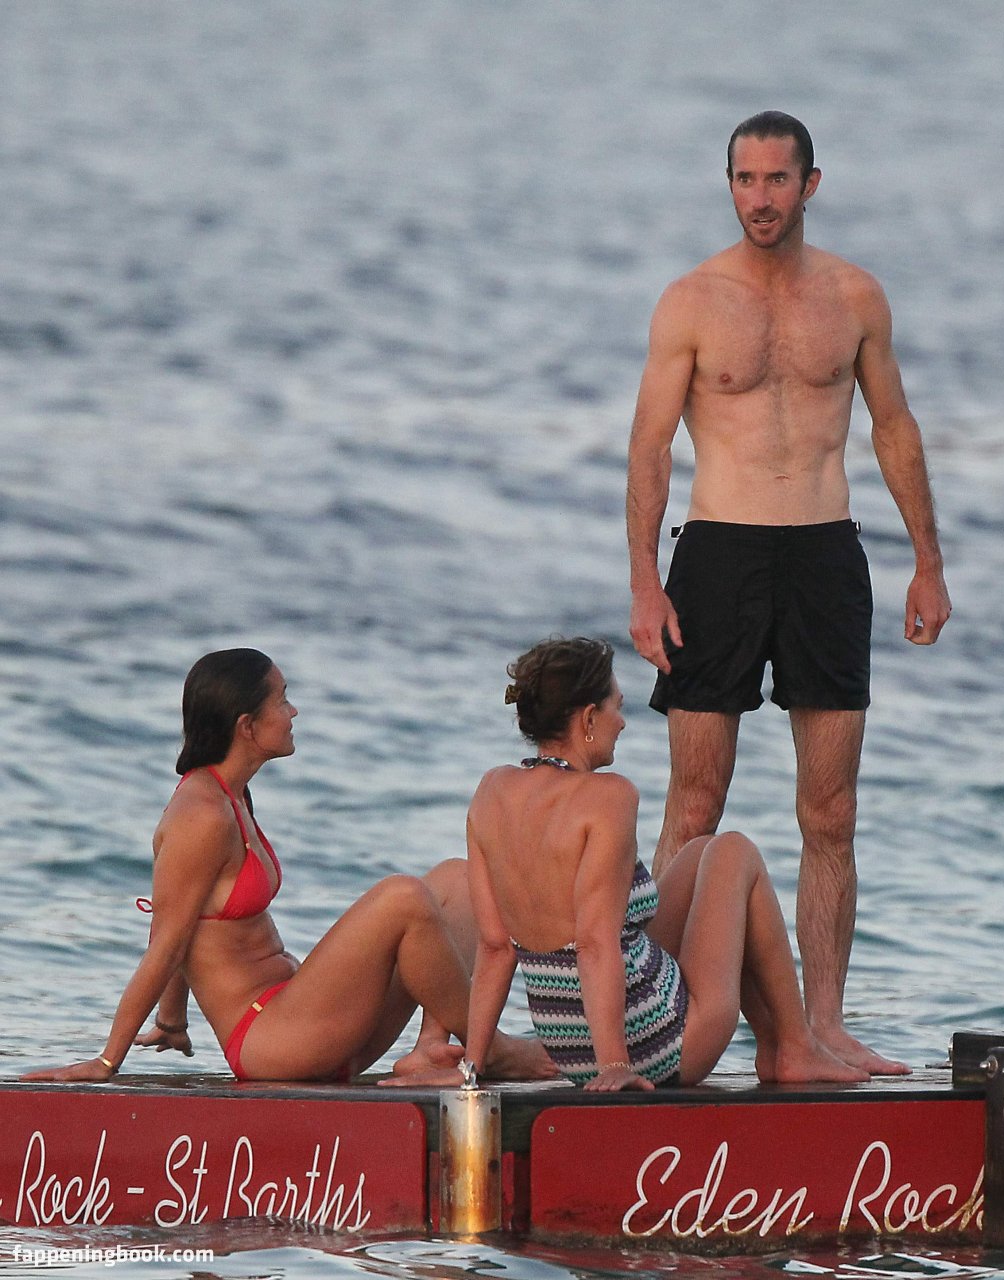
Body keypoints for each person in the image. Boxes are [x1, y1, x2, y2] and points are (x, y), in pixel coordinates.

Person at [626, 111, 951, 1076]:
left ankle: (821, 1027)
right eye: (744, 179)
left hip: (824, 555)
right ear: (727, 183)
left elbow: (892, 426)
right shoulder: (691, 300)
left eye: (776, 179)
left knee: (831, 811)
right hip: (717, 555)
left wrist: (927, 560)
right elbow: (649, 446)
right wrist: (643, 581)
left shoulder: (854, 297)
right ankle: (658, 1023)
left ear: (809, 184)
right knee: (694, 801)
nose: (759, 198)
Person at [22, 648, 552, 1086]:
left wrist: (172, 1018)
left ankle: (431, 1050)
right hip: (270, 1042)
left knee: (456, 879)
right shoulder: (200, 816)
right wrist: (106, 1061)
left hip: (308, 1020)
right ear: (247, 726)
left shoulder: (233, 796)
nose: (294, 711)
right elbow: (167, 940)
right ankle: (492, 1051)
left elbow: (183, 918)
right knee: (403, 897)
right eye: (282, 699)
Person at [391, 637, 868, 1092]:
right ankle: (794, 1046)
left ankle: (780, 1045)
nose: (622, 722)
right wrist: (615, 1065)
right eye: (616, 707)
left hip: (569, 1050)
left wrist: (473, 1067)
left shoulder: (491, 791)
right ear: (588, 718)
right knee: (734, 851)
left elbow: (496, 947)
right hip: (659, 1044)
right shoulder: (608, 798)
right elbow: (595, 943)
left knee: (700, 852)